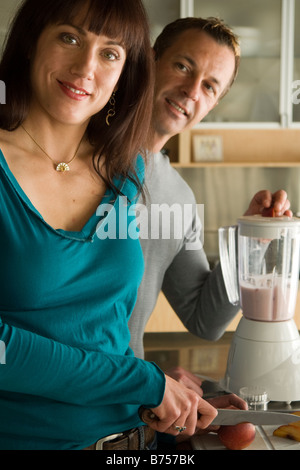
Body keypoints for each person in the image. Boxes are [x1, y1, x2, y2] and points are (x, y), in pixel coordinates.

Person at [0, 1, 242, 450]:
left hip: (129, 438)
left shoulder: (124, 172)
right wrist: (144, 381)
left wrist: (167, 393)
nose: (86, 67)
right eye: (69, 37)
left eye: (110, 52)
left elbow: (113, 327)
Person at [128, 17, 292, 393]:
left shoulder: (179, 198)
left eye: (209, 86)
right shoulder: (75, 158)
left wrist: (252, 235)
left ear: (213, 104)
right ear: (150, 61)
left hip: (124, 407)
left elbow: (205, 319)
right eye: (182, 66)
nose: (190, 91)